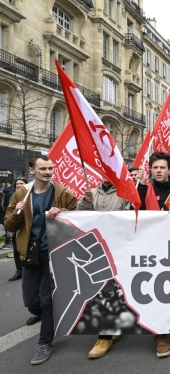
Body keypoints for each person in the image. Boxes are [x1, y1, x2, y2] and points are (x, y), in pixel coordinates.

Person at [4, 155, 77, 365]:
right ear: (31, 171)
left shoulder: (61, 192)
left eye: (50, 168)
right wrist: (18, 212)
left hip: (53, 251)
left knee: (46, 299)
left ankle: (45, 341)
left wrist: (62, 212)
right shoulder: (21, 194)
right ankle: (45, 318)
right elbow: (9, 226)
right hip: (29, 251)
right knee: (31, 300)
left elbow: (78, 216)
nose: (47, 172)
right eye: (42, 168)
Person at [137, 152, 170, 358]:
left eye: (162, 168)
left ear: (169, 170)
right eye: (155, 167)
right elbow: (132, 212)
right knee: (157, 289)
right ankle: (160, 334)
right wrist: (139, 187)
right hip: (150, 247)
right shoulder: (143, 189)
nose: (158, 171)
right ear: (150, 169)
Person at [77, 179, 131, 358]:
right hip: (97, 247)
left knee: (120, 289)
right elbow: (78, 217)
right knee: (103, 289)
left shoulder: (125, 192)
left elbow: (131, 217)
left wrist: (111, 216)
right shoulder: (92, 192)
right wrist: (85, 202)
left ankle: (115, 326)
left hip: (119, 245)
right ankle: (105, 335)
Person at [6, 178, 26, 281]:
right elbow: (7, 209)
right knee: (15, 250)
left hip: (24, 229)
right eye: (17, 184)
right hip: (14, 227)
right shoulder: (13, 196)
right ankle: (19, 271)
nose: (18, 185)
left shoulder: (28, 195)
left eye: (21, 183)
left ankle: (26, 271)